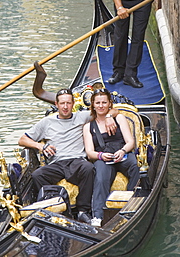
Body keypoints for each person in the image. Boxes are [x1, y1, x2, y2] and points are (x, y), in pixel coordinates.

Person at [18, 88, 118, 224]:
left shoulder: (82, 116)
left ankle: (83, 211)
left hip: (77, 161)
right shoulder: (47, 122)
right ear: (57, 104)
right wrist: (40, 146)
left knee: (88, 168)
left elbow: (114, 110)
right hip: (57, 163)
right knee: (37, 175)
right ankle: (53, 207)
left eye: (68, 103)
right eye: (62, 103)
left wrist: (109, 117)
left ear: (73, 103)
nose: (65, 107)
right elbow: (22, 140)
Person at [83, 88, 140, 227]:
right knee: (101, 177)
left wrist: (122, 150)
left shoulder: (119, 117)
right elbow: (90, 152)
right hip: (103, 157)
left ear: (109, 104)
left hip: (122, 154)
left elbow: (130, 142)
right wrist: (101, 155)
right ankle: (98, 216)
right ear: (93, 105)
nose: (101, 106)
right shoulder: (88, 127)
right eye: (98, 103)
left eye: (104, 102)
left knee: (135, 167)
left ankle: (131, 204)